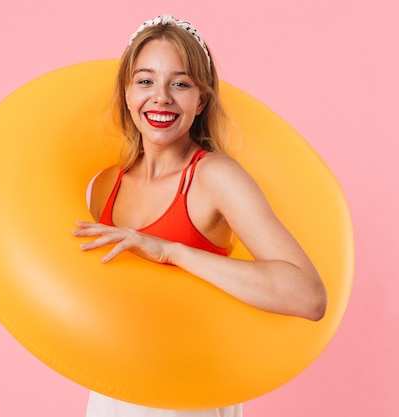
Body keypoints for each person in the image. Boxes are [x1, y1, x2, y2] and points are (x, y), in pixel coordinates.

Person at [73, 14, 328, 417]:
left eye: (180, 83)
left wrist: (170, 251)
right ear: (126, 92)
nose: (161, 97)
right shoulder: (105, 184)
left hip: (190, 396)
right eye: (145, 81)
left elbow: (309, 296)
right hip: (113, 392)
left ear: (201, 99)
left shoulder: (215, 177)